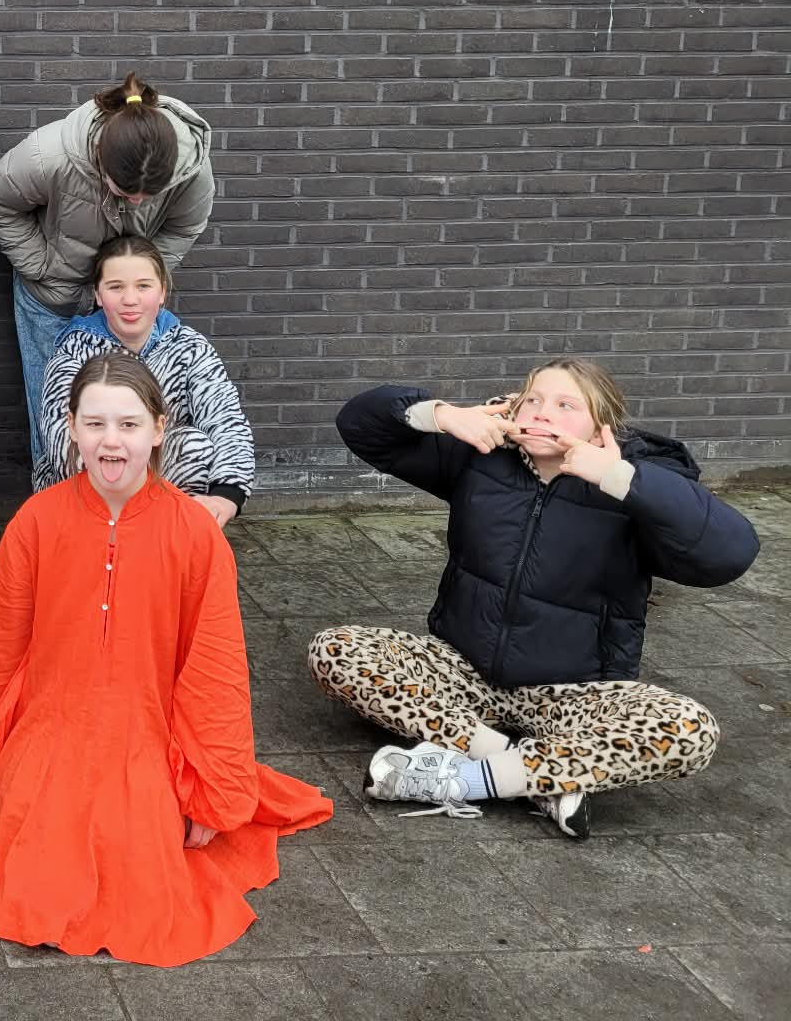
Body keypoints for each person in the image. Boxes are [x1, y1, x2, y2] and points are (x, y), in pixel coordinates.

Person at [0, 354, 330, 964]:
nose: (111, 441)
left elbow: (215, 672)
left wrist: (208, 792)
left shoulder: (196, 533)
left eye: (129, 424)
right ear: (71, 428)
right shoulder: (35, 520)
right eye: (95, 423)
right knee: (39, 864)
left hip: (151, 732)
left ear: (158, 429)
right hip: (50, 724)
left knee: (142, 862)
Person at [310, 359, 759, 838]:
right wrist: (443, 415)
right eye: (534, 401)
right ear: (513, 409)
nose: (544, 413)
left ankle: (469, 779)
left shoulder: (633, 484)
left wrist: (620, 478)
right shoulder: (480, 458)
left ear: (600, 426)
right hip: (463, 672)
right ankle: (532, 774)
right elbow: (359, 424)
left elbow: (731, 553)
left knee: (690, 728)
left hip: (574, 694)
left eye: (566, 405)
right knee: (336, 650)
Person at [0, 70, 215, 480]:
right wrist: (42, 266)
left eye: (149, 195)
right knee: (57, 419)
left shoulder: (190, 167)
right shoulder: (50, 155)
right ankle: (57, 510)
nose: (138, 202)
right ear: (101, 162)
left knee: (123, 415)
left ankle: (121, 514)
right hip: (52, 303)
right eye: (126, 191)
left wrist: (140, 280)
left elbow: (185, 226)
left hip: (126, 311)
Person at [34, 235, 253, 528]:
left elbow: (225, 418)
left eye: (143, 286)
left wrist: (227, 494)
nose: (130, 299)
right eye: (115, 287)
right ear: (98, 294)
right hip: (87, 495)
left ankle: (168, 542)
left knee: (192, 446)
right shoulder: (73, 352)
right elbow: (61, 439)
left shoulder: (190, 348)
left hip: (166, 488)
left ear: (162, 291)